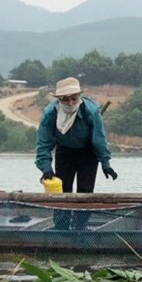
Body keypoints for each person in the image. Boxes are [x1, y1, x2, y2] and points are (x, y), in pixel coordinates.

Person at [35, 77, 117, 228]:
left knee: (85, 192)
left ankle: (80, 227)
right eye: (65, 100)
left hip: (88, 152)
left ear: (79, 96)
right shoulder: (50, 113)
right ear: (59, 99)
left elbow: (99, 139)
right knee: (62, 190)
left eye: (74, 98)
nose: (71, 103)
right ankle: (61, 227)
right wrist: (46, 168)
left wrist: (106, 163)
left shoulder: (91, 111)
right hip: (64, 152)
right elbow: (43, 144)